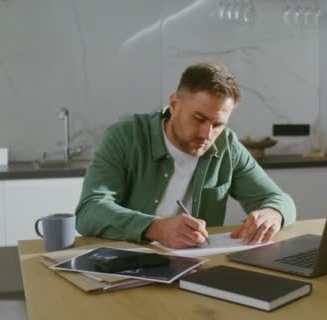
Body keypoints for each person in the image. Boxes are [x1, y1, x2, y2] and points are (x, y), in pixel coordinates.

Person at [75, 62, 296, 248]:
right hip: (127, 265)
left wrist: (273, 214)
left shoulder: (228, 146)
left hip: (196, 268)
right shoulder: (124, 136)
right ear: (174, 104)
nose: (207, 134)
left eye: (218, 124)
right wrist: (157, 228)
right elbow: (90, 210)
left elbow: (280, 200)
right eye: (199, 118)